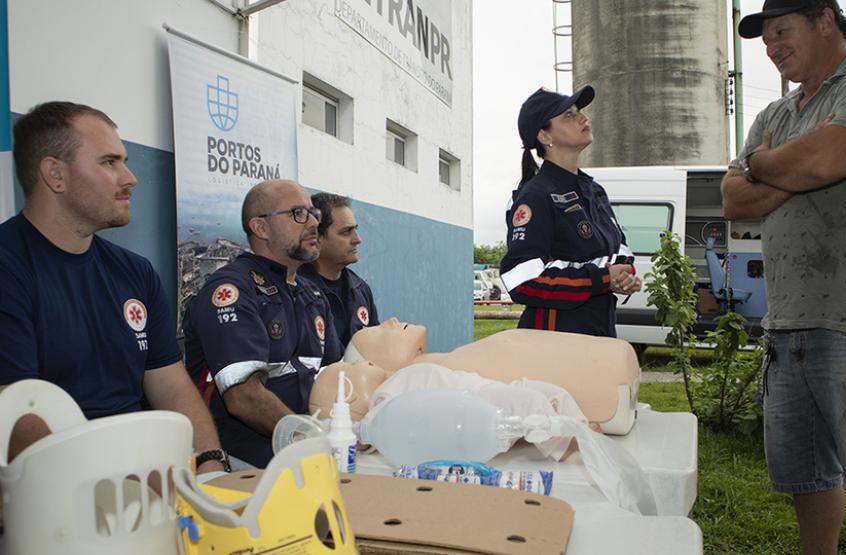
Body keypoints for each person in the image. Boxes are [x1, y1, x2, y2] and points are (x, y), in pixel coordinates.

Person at [722, 1, 846, 552]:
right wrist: (785, 167)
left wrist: (762, 165)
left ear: (825, 21)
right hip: (788, 325)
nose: (771, 46)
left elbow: (824, 163)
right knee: (809, 478)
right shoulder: (775, 116)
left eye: (782, 31)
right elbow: (734, 200)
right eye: (765, 38)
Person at [0, 101, 226, 473]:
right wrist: (118, 491)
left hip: (141, 478)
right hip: (53, 494)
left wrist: (209, 463)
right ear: (55, 174)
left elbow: (171, 386)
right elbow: (17, 415)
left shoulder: (135, 273)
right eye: (109, 162)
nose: (130, 177)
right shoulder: (10, 269)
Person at [182, 179, 344, 468]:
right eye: (298, 213)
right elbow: (243, 397)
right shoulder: (233, 290)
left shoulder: (312, 294)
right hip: (241, 461)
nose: (312, 223)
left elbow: (334, 376)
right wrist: (311, 438)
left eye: (313, 213)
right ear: (261, 228)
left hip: (305, 452)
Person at [310, 317, 640, 433]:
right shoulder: (404, 389)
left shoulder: (438, 369)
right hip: (600, 384)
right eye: (379, 330)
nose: (392, 320)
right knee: (529, 402)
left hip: (597, 375)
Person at [500, 85, 641, 338]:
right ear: (544, 136)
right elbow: (521, 280)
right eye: (568, 115)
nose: (583, 118)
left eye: (579, 111)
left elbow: (619, 248)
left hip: (599, 334)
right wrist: (602, 279)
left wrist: (625, 275)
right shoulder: (536, 196)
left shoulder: (594, 191)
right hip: (555, 343)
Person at [298, 192, 378, 347]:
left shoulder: (360, 289)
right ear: (317, 237)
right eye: (346, 232)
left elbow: (375, 350)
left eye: (355, 229)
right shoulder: (296, 291)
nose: (357, 239)